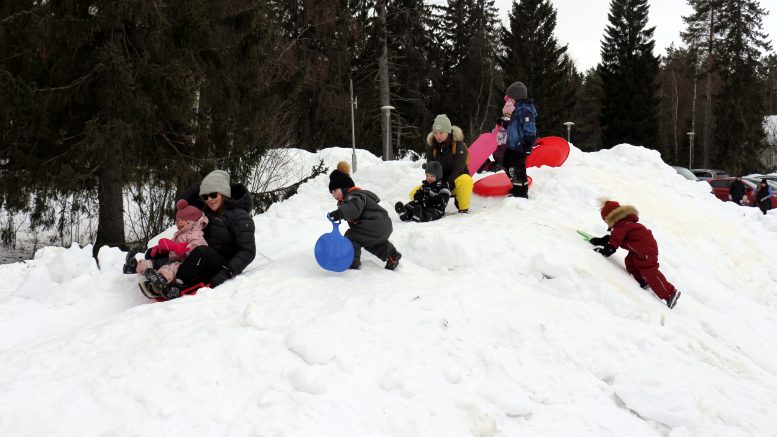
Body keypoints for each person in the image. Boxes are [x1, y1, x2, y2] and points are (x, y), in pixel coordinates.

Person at [154, 169, 257, 299]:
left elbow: (248, 251)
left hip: (221, 265)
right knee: (169, 248)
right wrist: (203, 184)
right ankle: (158, 274)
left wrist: (226, 272)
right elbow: (182, 203)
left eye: (213, 194)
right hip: (198, 260)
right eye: (205, 196)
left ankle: (177, 283)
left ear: (224, 193)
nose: (209, 200)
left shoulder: (239, 216)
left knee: (202, 251)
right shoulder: (206, 210)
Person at [588, 200, 681, 309]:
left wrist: (603, 251)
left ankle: (670, 294)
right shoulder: (624, 223)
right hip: (641, 249)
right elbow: (614, 238)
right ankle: (643, 280)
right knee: (630, 262)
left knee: (650, 271)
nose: (606, 223)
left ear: (611, 218)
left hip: (646, 251)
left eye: (605, 221)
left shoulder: (621, 226)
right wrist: (600, 241)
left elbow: (613, 245)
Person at [327, 161, 401, 270]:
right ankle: (391, 255)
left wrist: (339, 213)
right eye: (331, 192)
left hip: (375, 224)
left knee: (351, 236)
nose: (333, 195)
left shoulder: (353, 196)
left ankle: (351, 262)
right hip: (382, 226)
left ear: (344, 187)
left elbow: (354, 209)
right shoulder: (351, 198)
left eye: (335, 190)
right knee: (368, 242)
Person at [125, 200, 209, 295]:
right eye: (177, 220)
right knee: (153, 262)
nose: (178, 223)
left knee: (170, 268)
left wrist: (176, 248)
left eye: (181, 220)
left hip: (183, 262)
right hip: (172, 257)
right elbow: (171, 244)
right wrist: (160, 248)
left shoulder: (195, 235)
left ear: (191, 222)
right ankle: (135, 267)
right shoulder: (180, 233)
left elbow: (196, 252)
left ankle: (161, 279)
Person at [416, 114, 473, 213]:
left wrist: (447, 184)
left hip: (455, 184)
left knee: (466, 180)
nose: (438, 136)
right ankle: (425, 207)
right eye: (436, 133)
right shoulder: (432, 147)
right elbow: (431, 170)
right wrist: (432, 186)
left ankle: (463, 208)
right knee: (414, 193)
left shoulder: (459, 146)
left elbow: (458, 170)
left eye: (441, 132)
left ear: (448, 132)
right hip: (439, 185)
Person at [502, 81, 537, 198]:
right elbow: (511, 127)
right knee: (506, 163)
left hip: (521, 145)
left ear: (516, 98)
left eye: (510, 98)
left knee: (517, 168)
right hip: (512, 144)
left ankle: (521, 192)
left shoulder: (525, 110)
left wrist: (528, 145)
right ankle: (517, 186)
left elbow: (530, 130)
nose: (508, 101)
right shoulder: (515, 110)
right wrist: (503, 121)